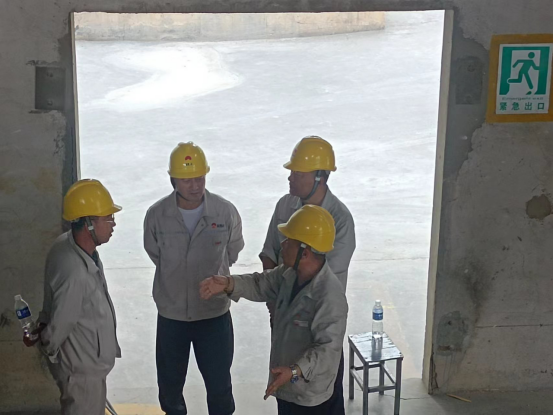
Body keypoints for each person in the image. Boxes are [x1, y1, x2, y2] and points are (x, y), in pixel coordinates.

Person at [201, 205, 347, 415]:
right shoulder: (289, 274)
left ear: (305, 253)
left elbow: (327, 350)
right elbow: (260, 283)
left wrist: (295, 371)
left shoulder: (329, 296)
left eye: (289, 241)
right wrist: (228, 283)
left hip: (311, 397)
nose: (282, 245)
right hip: (286, 383)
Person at [144, 142, 244, 415]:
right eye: (187, 180)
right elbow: (155, 253)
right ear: (173, 180)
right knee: (170, 389)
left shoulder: (225, 212)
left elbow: (233, 251)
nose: (195, 185)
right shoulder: (157, 215)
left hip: (213, 315)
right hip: (172, 316)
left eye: (199, 178)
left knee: (220, 387)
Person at [260, 135, 356, 411]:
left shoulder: (339, 220)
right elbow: (269, 254)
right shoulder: (285, 206)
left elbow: (319, 280)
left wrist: (286, 306)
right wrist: (275, 307)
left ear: (319, 177)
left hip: (316, 324)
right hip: (284, 321)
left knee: (320, 396)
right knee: (286, 393)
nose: (290, 178)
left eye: (297, 174)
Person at [24, 179, 122, 415]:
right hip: (82, 373)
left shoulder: (67, 246)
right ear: (88, 224)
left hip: (85, 365)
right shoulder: (76, 273)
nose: (113, 224)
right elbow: (61, 324)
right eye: (107, 218)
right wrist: (47, 345)